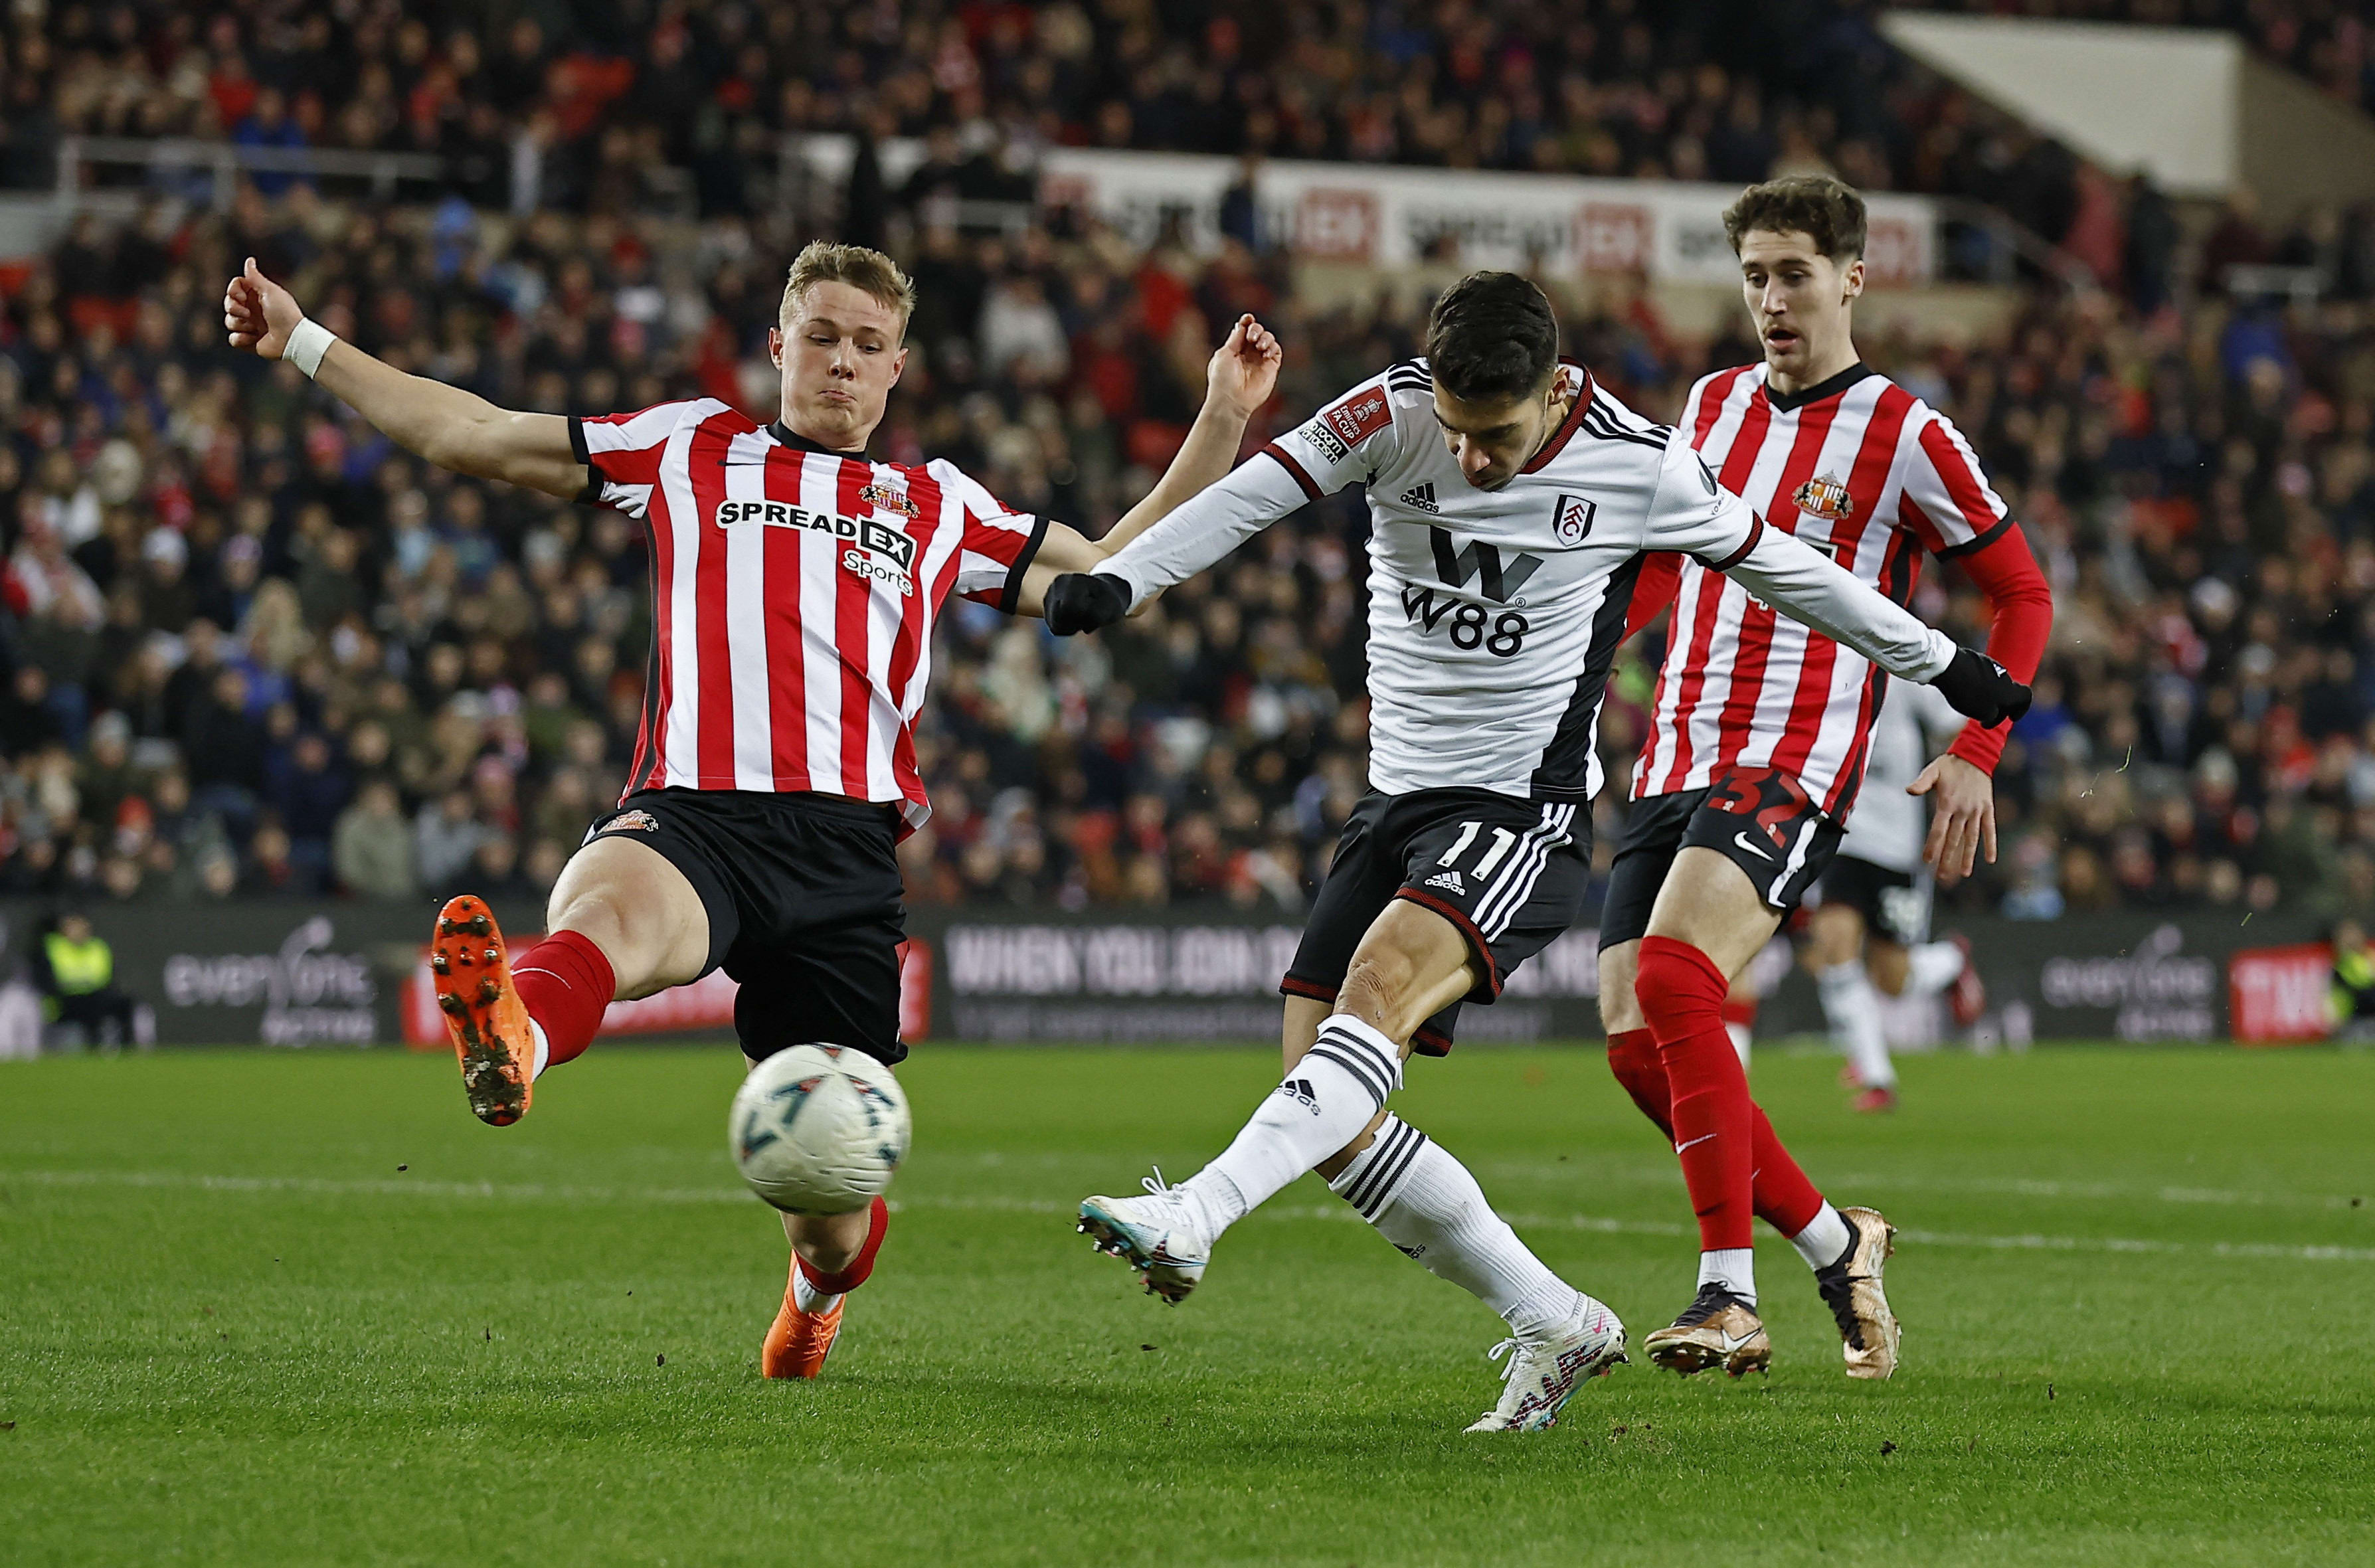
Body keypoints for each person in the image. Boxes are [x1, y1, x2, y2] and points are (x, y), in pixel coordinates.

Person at [224, 241, 1282, 1380]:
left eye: (868, 346)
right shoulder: (691, 448)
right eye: (821, 337)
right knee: (609, 919)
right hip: (697, 817)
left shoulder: (935, 507)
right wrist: (303, 341)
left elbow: (1116, 570)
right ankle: (517, 1037)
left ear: (897, 370)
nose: (841, 363)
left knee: (828, 1204)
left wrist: (1219, 417)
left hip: (844, 862)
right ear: (778, 345)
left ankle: (814, 1293)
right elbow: (471, 432)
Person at [1041, 270, 2027, 1431]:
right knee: (1328, 1110)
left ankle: (1197, 1211)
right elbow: (1256, 493)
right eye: (1455, 432)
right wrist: (1121, 577)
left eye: (1497, 436)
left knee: (1376, 994)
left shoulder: (1636, 462)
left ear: (1555, 389)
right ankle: (1555, 1319)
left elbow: (1792, 570)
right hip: (1393, 806)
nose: (1470, 460)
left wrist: (1952, 670)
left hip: (1520, 812)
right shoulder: (1392, 414)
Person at [1600, 175, 2052, 1381]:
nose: (1770, 298)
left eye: (1793, 272)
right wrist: (1588, 657)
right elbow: (1659, 567)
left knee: (1673, 975)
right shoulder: (1706, 404)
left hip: (1792, 755)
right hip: (1674, 750)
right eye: (1753, 275)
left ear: (1852, 277)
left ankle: (1725, 1296)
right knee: (1633, 1042)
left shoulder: (1905, 431)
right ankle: (1832, 1236)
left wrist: (1975, 749)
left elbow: (2022, 593)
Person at [1802, 680, 1988, 1111]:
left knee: (1894, 979)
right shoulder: (1817, 654)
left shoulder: (1899, 657)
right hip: (1837, 833)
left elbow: (1957, 715)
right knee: (1834, 945)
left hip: (1895, 844)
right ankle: (1876, 1077)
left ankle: (1953, 959)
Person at [32, 910, 140, 1046]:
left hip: (93, 997)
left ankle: (126, 1048)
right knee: (89, 1006)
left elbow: (109, 980)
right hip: (64, 1000)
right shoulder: (53, 947)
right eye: (73, 926)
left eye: (81, 925)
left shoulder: (98, 947)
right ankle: (94, 1045)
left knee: (122, 1003)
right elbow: (46, 982)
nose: (78, 930)